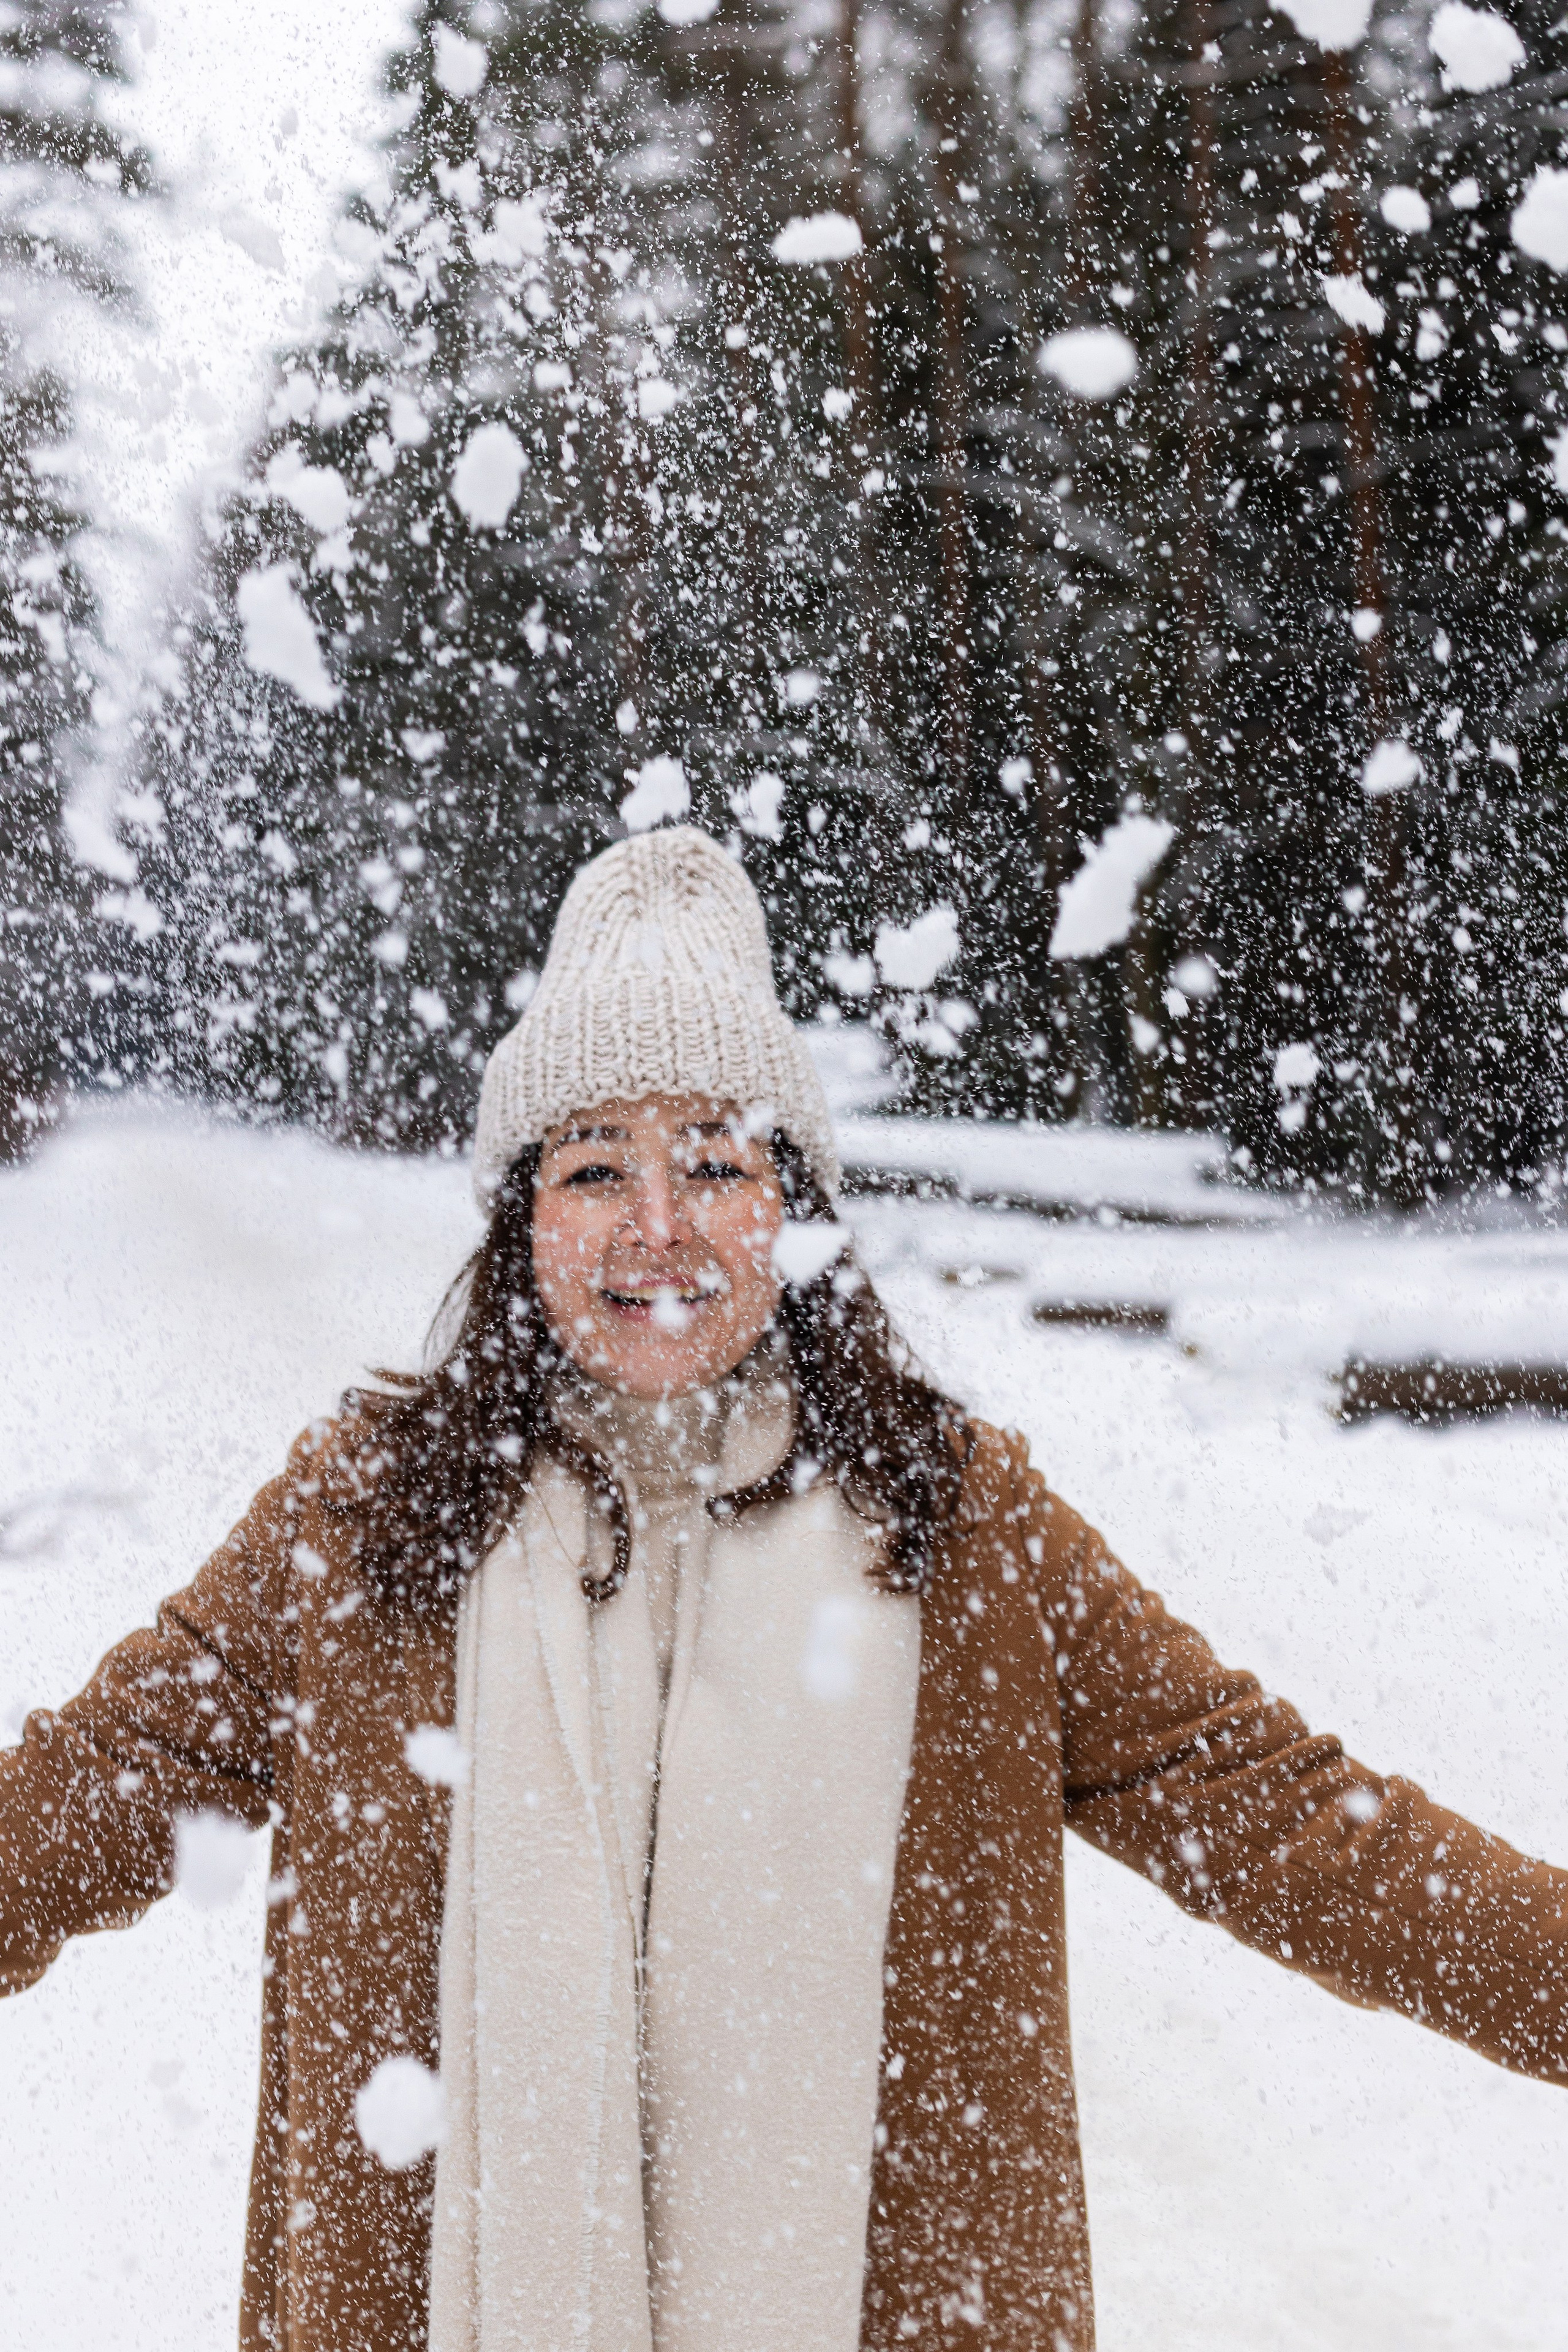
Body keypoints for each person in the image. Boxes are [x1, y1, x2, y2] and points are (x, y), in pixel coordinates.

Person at [1, 825, 1564, 2352]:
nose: (657, 1226)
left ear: (788, 1205)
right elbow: (98, 1786)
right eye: (595, 1164)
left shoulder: (955, 1527)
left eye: (714, 1161)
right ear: (521, 1213)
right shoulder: (371, 1515)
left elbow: (1280, 1813)